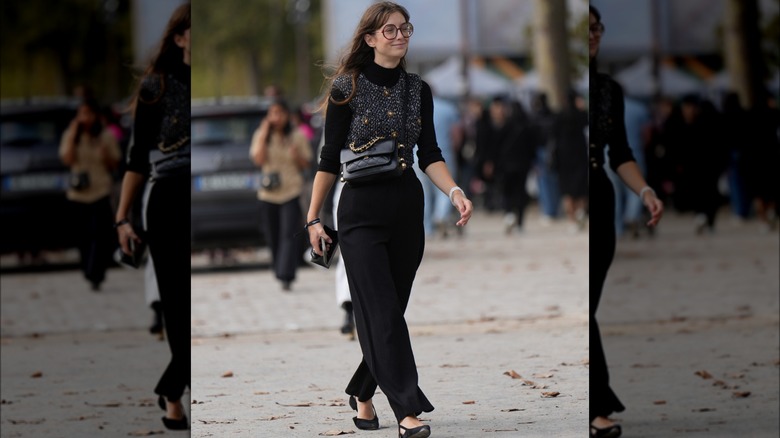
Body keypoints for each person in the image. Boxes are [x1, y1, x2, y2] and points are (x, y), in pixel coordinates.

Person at [305, 3, 473, 437]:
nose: (400, 35)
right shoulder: (347, 88)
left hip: (405, 208)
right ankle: (406, 411)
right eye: (390, 29)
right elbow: (327, 160)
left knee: (390, 313)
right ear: (371, 39)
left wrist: (454, 192)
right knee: (380, 314)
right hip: (359, 211)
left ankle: (363, 394)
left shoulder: (420, 89)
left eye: (405, 28)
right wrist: (313, 219)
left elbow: (430, 154)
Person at [114, 3, 190, 430]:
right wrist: (123, 219)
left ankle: (171, 389)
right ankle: (174, 390)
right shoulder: (155, 88)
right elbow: (137, 160)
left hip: (199, 197)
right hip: (169, 198)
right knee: (178, 307)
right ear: (180, 38)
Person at [589, 6, 664, 437]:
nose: (593, 35)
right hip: (576, 200)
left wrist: (646, 192)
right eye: (585, 29)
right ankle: (597, 407)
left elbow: (620, 152)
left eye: (597, 28)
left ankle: (597, 403)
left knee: (591, 303)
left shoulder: (608, 89)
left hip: (601, 193)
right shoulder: (563, 88)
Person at [59, 97, 122, 291]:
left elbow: (115, 163)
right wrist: (72, 135)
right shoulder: (72, 134)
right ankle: (88, 269)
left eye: (88, 113)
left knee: (99, 235)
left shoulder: (105, 135)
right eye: (81, 114)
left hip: (100, 191)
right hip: (78, 193)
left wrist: (105, 155)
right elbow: (67, 159)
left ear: (95, 115)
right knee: (83, 236)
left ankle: (96, 272)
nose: (85, 118)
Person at [250, 100, 312, 291]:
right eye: (272, 113)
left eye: (279, 113)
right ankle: (279, 268)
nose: (276, 117)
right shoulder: (262, 135)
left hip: (291, 191)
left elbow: (307, 164)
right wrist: (263, 133)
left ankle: (286, 275)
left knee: (288, 234)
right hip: (268, 194)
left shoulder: (297, 136)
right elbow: (258, 160)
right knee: (273, 235)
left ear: (286, 115)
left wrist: (296, 156)